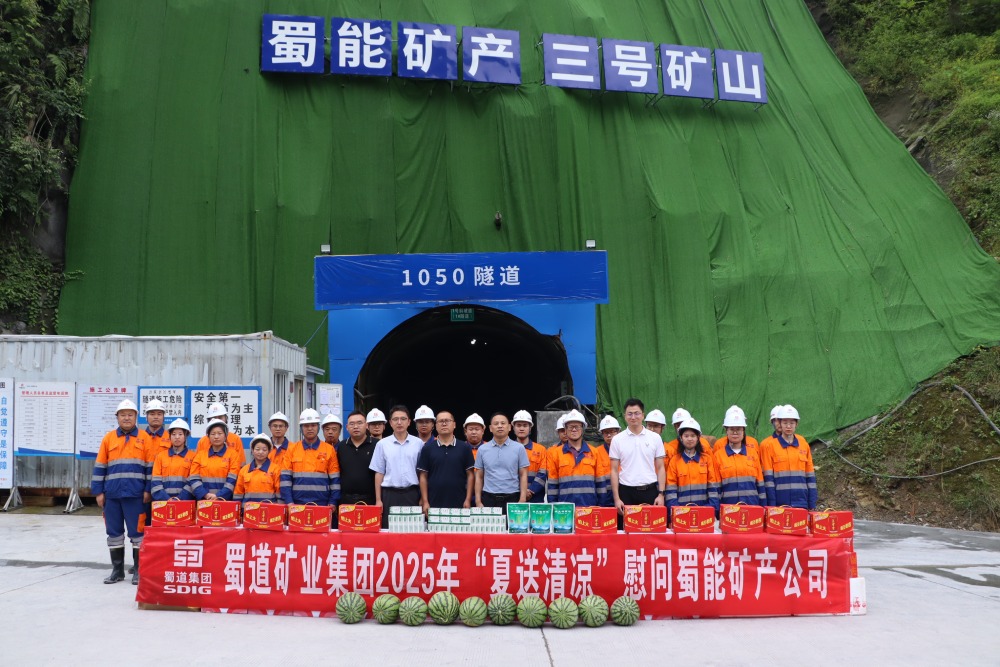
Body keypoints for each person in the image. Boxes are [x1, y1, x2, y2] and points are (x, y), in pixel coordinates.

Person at [91, 399, 152, 585]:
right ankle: (117, 571)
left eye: (130, 415)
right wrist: (98, 492)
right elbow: (100, 466)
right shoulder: (109, 438)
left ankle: (139, 571)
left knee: (138, 534)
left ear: (136, 417)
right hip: (112, 495)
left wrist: (148, 490)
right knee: (114, 534)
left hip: (136, 495)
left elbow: (151, 467)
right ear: (117, 417)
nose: (126, 418)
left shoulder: (145, 438)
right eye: (123, 415)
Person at [609, 398, 665, 528]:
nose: (633, 417)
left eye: (637, 413)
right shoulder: (617, 440)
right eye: (630, 414)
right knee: (626, 532)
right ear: (625, 416)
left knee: (651, 531)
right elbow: (614, 471)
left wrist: (661, 494)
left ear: (643, 415)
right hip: (626, 492)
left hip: (650, 491)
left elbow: (661, 467)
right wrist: (617, 498)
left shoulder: (655, 438)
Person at [544, 409, 612, 507]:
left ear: (583, 429)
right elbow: (552, 486)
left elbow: (600, 483)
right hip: (565, 509)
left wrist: (601, 507)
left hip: (590, 507)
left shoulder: (594, 452)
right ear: (565, 430)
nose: (574, 430)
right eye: (570, 427)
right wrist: (554, 508)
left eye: (577, 426)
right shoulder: (556, 454)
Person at [370, 405, 423, 526]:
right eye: (395, 419)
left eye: (403, 419)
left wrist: (423, 498)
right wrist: (378, 500)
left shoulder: (418, 443)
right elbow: (379, 473)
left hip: (412, 493)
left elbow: (422, 473)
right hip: (389, 494)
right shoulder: (382, 444)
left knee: (411, 529)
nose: (399, 422)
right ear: (390, 423)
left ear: (409, 422)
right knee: (389, 529)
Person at [759, 405, 817, 509]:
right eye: (785, 423)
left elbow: (810, 477)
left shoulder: (803, 445)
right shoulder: (770, 446)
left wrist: (811, 503)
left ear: (796, 424)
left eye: (792, 423)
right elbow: (768, 479)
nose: (788, 426)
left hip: (801, 501)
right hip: (780, 502)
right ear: (780, 423)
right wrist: (772, 505)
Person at [280, 408, 341, 506]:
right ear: (301, 428)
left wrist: (333, 502)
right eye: (306, 426)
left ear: (318, 427)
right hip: (297, 505)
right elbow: (285, 479)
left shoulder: (329, 449)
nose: (310, 428)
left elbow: (335, 480)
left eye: (313, 425)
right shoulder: (292, 449)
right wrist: (289, 502)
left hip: (323, 505)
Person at [417, 410, 474, 511]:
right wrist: (425, 501)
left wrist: (468, 499)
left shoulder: (464, 448)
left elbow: (470, 475)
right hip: (433, 501)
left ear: (454, 424)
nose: (444, 424)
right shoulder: (427, 448)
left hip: (460, 501)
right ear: (435, 425)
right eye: (440, 421)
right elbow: (423, 476)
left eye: (447, 421)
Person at [665, 418, 720, 516]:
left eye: (693, 436)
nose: (689, 439)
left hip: (703, 513)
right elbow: (671, 490)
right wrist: (677, 510)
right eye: (686, 436)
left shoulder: (707, 460)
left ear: (698, 438)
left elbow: (713, 488)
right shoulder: (674, 461)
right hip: (681, 514)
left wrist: (710, 508)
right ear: (681, 438)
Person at [474, 412, 529, 511]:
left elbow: (523, 474)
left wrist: (522, 499)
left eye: (503, 423)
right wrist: (478, 501)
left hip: (513, 497)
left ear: (509, 427)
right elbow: (479, 476)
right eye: (496, 424)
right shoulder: (482, 449)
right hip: (489, 498)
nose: (500, 426)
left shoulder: (519, 448)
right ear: (490, 428)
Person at [713, 407, 765, 506]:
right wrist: (718, 510)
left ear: (744, 431)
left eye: (738, 429)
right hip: (728, 508)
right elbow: (716, 487)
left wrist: (763, 506)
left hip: (752, 505)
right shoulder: (718, 456)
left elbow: (760, 483)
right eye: (731, 429)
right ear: (726, 431)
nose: (735, 432)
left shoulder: (753, 453)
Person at [189, 419, 241, 502]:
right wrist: (205, 494)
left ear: (225, 435)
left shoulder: (233, 455)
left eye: (220, 433)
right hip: (204, 501)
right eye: (213, 434)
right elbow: (193, 478)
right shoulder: (200, 455)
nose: (216, 437)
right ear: (208, 436)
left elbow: (232, 480)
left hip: (225, 502)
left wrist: (218, 496)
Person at [140, 398, 170, 533]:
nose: (156, 417)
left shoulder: (171, 437)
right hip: (142, 488)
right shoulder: (139, 437)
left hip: (164, 488)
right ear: (146, 417)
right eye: (152, 414)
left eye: (159, 414)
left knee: (165, 524)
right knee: (143, 524)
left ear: (164, 417)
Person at [150, 418, 196, 501]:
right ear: (170, 436)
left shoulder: (193, 457)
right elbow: (155, 482)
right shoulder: (160, 456)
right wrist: (167, 499)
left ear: (186, 436)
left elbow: (193, 482)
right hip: (163, 503)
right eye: (174, 434)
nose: (177, 437)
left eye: (180, 434)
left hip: (185, 503)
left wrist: (179, 499)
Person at [338, 411, 377, 505]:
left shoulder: (377, 445)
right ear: (347, 427)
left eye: (359, 423)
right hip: (346, 500)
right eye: (352, 424)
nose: (355, 427)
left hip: (371, 500)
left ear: (366, 425)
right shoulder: (342, 446)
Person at [196, 402, 246, 468]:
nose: (217, 420)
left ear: (226, 418)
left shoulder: (235, 439)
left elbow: (241, 464)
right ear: (209, 421)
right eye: (214, 418)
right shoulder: (202, 441)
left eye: (220, 417)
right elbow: (197, 464)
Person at [511, 409, 547, 502]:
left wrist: (531, 491)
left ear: (530, 428)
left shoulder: (540, 450)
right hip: (513, 495)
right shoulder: (507, 449)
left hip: (536, 497)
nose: (521, 428)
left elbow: (543, 474)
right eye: (518, 425)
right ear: (513, 427)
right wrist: (521, 492)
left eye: (525, 425)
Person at [234, 434, 282, 503]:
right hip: (248, 509)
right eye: (257, 449)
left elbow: (279, 494)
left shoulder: (275, 469)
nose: (260, 452)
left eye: (264, 450)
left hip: (269, 508)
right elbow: (238, 494)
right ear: (252, 450)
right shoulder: (244, 470)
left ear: (269, 451)